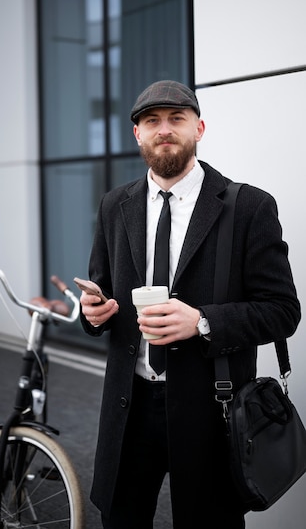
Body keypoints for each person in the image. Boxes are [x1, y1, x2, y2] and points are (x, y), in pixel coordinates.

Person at [79, 80, 301, 529]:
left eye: (176, 119)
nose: (164, 129)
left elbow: (283, 310)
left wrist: (202, 322)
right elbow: (101, 293)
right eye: (151, 121)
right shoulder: (113, 205)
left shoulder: (248, 206)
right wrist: (93, 314)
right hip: (128, 407)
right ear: (136, 134)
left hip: (211, 412)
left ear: (198, 128)